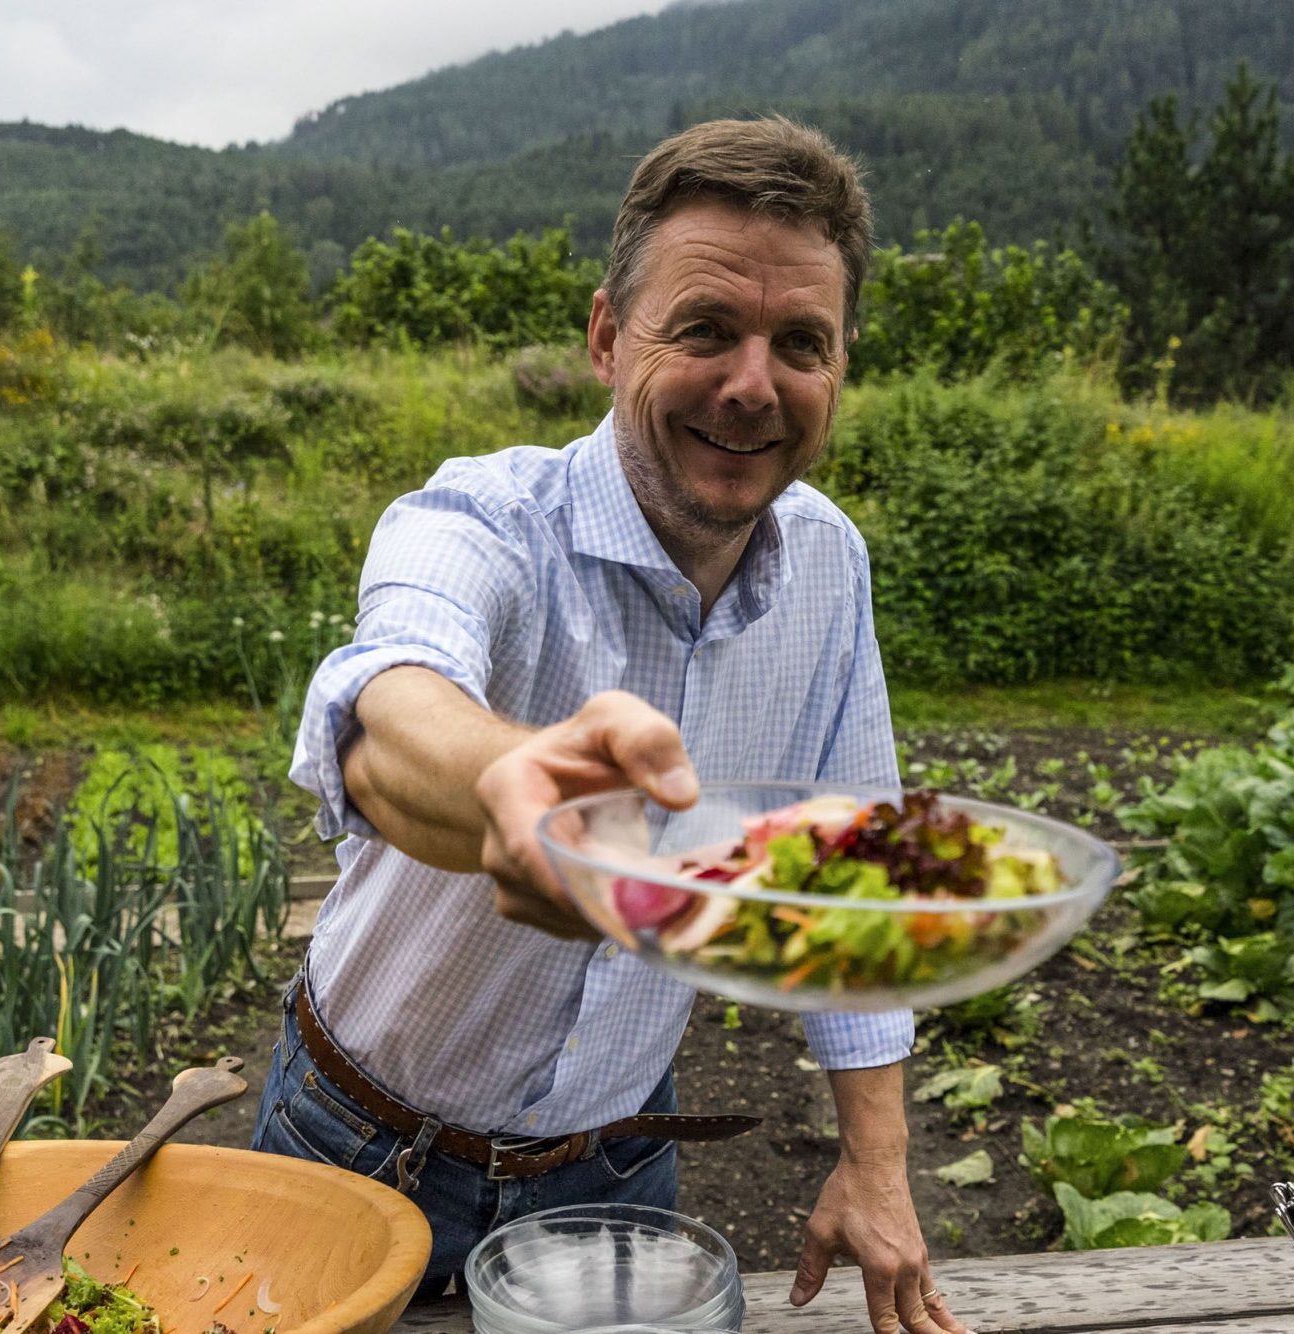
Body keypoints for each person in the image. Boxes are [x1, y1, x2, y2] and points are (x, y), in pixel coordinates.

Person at [253, 116, 966, 1334]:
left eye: (799, 342)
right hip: (358, 1141)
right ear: (602, 336)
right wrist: (509, 778)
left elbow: (856, 873)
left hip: (616, 1167)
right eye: (701, 329)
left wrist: (877, 1160)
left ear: (838, 367)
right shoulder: (483, 517)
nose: (751, 383)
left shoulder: (830, 569)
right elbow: (386, 705)